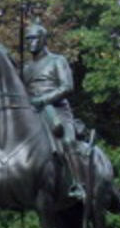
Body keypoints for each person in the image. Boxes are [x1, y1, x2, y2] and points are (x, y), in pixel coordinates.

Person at [22, 21, 86, 201]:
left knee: (67, 140)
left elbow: (67, 87)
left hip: (56, 110)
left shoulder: (57, 61)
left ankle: (77, 184)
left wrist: (43, 99)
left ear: (43, 39)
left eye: (34, 38)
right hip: (33, 112)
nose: (30, 42)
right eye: (28, 39)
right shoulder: (26, 68)